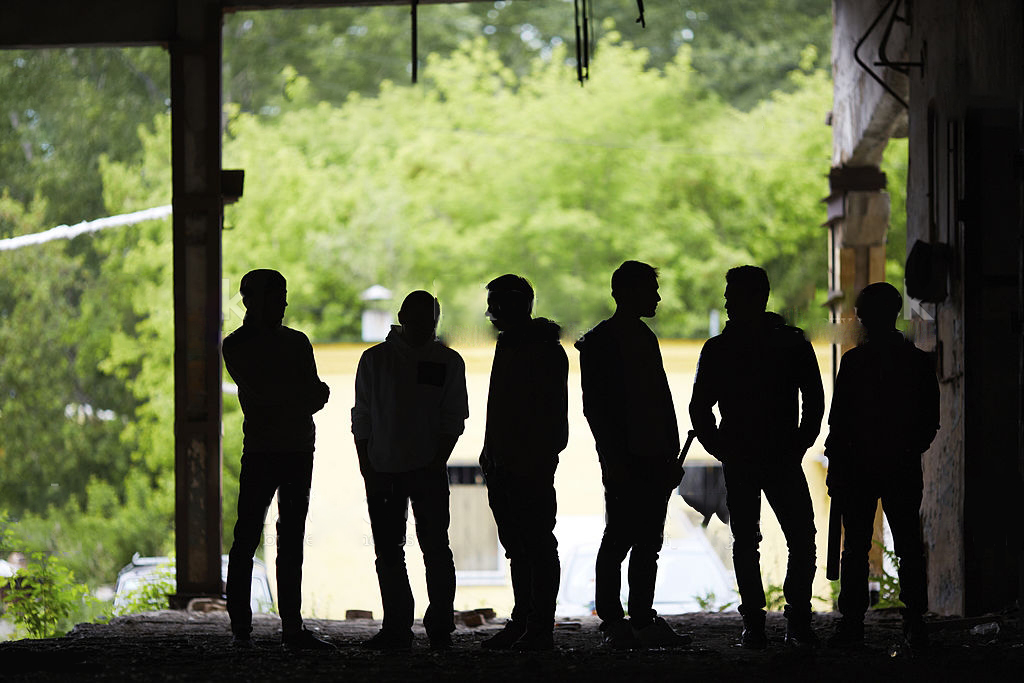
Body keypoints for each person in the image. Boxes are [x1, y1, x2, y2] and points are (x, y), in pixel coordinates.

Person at [689, 265, 824, 649]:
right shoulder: (791, 343)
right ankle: (796, 621)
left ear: (755, 297)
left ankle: (755, 624)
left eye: (732, 294)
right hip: (780, 456)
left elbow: (700, 408)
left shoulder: (719, 349)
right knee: (800, 537)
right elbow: (813, 400)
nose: (727, 301)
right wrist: (799, 444)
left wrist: (721, 448)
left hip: (745, 458)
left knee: (747, 540)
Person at [575, 260, 692, 650]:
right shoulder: (618, 341)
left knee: (633, 539)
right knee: (632, 540)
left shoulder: (611, 340)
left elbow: (647, 403)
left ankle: (624, 621)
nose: (657, 297)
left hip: (642, 456)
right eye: (650, 290)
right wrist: (622, 460)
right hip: (635, 457)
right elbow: (605, 409)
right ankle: (628, 620)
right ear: (627, 293)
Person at [351, 290, 469, 651]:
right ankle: (421, 627)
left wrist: (368, 464)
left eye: (428, 320)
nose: (422, 326)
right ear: (402, 316)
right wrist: (368, 465)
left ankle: (409, 627)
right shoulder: (382, 360)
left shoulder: (385, 360)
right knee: (422, 549)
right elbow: (364, 417)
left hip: (395, 468)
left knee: (406, 550)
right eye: (418, 319)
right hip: (399, 469)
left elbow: (363, 419)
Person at [222, 269, 333, 650]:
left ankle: (260, 629)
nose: (284, 302)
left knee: (258, 536)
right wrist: (301, 395)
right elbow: (311, 394)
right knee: (268, 537)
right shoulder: (271, 344)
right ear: (252, 299)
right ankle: (278, 629)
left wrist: (295, 395)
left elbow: (284, 394)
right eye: (278, 295)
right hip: (286, 448)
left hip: (279, 447)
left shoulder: (238, 346)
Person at [825, 282, 939, 649]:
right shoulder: (918, 362)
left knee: (855, 548)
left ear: (868, 317)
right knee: (908, 545)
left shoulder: (854, 363)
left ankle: (853, 625)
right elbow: (929, 423)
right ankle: (915, 623)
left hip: (859, 468)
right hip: (901, 466)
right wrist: (904, 450)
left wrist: (840, 466)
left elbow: (838, 423)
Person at [479, 274, 568, 651]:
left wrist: (531, 458)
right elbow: (499, 409)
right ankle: (526, 622)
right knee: (520, 546)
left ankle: (538, 627)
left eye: (497, 304)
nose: (491, 313)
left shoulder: (541, 349)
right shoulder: (515, 344)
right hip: (505, 463)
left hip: (527, 464)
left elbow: (549, 417)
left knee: (536, 544)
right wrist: (490, 455)